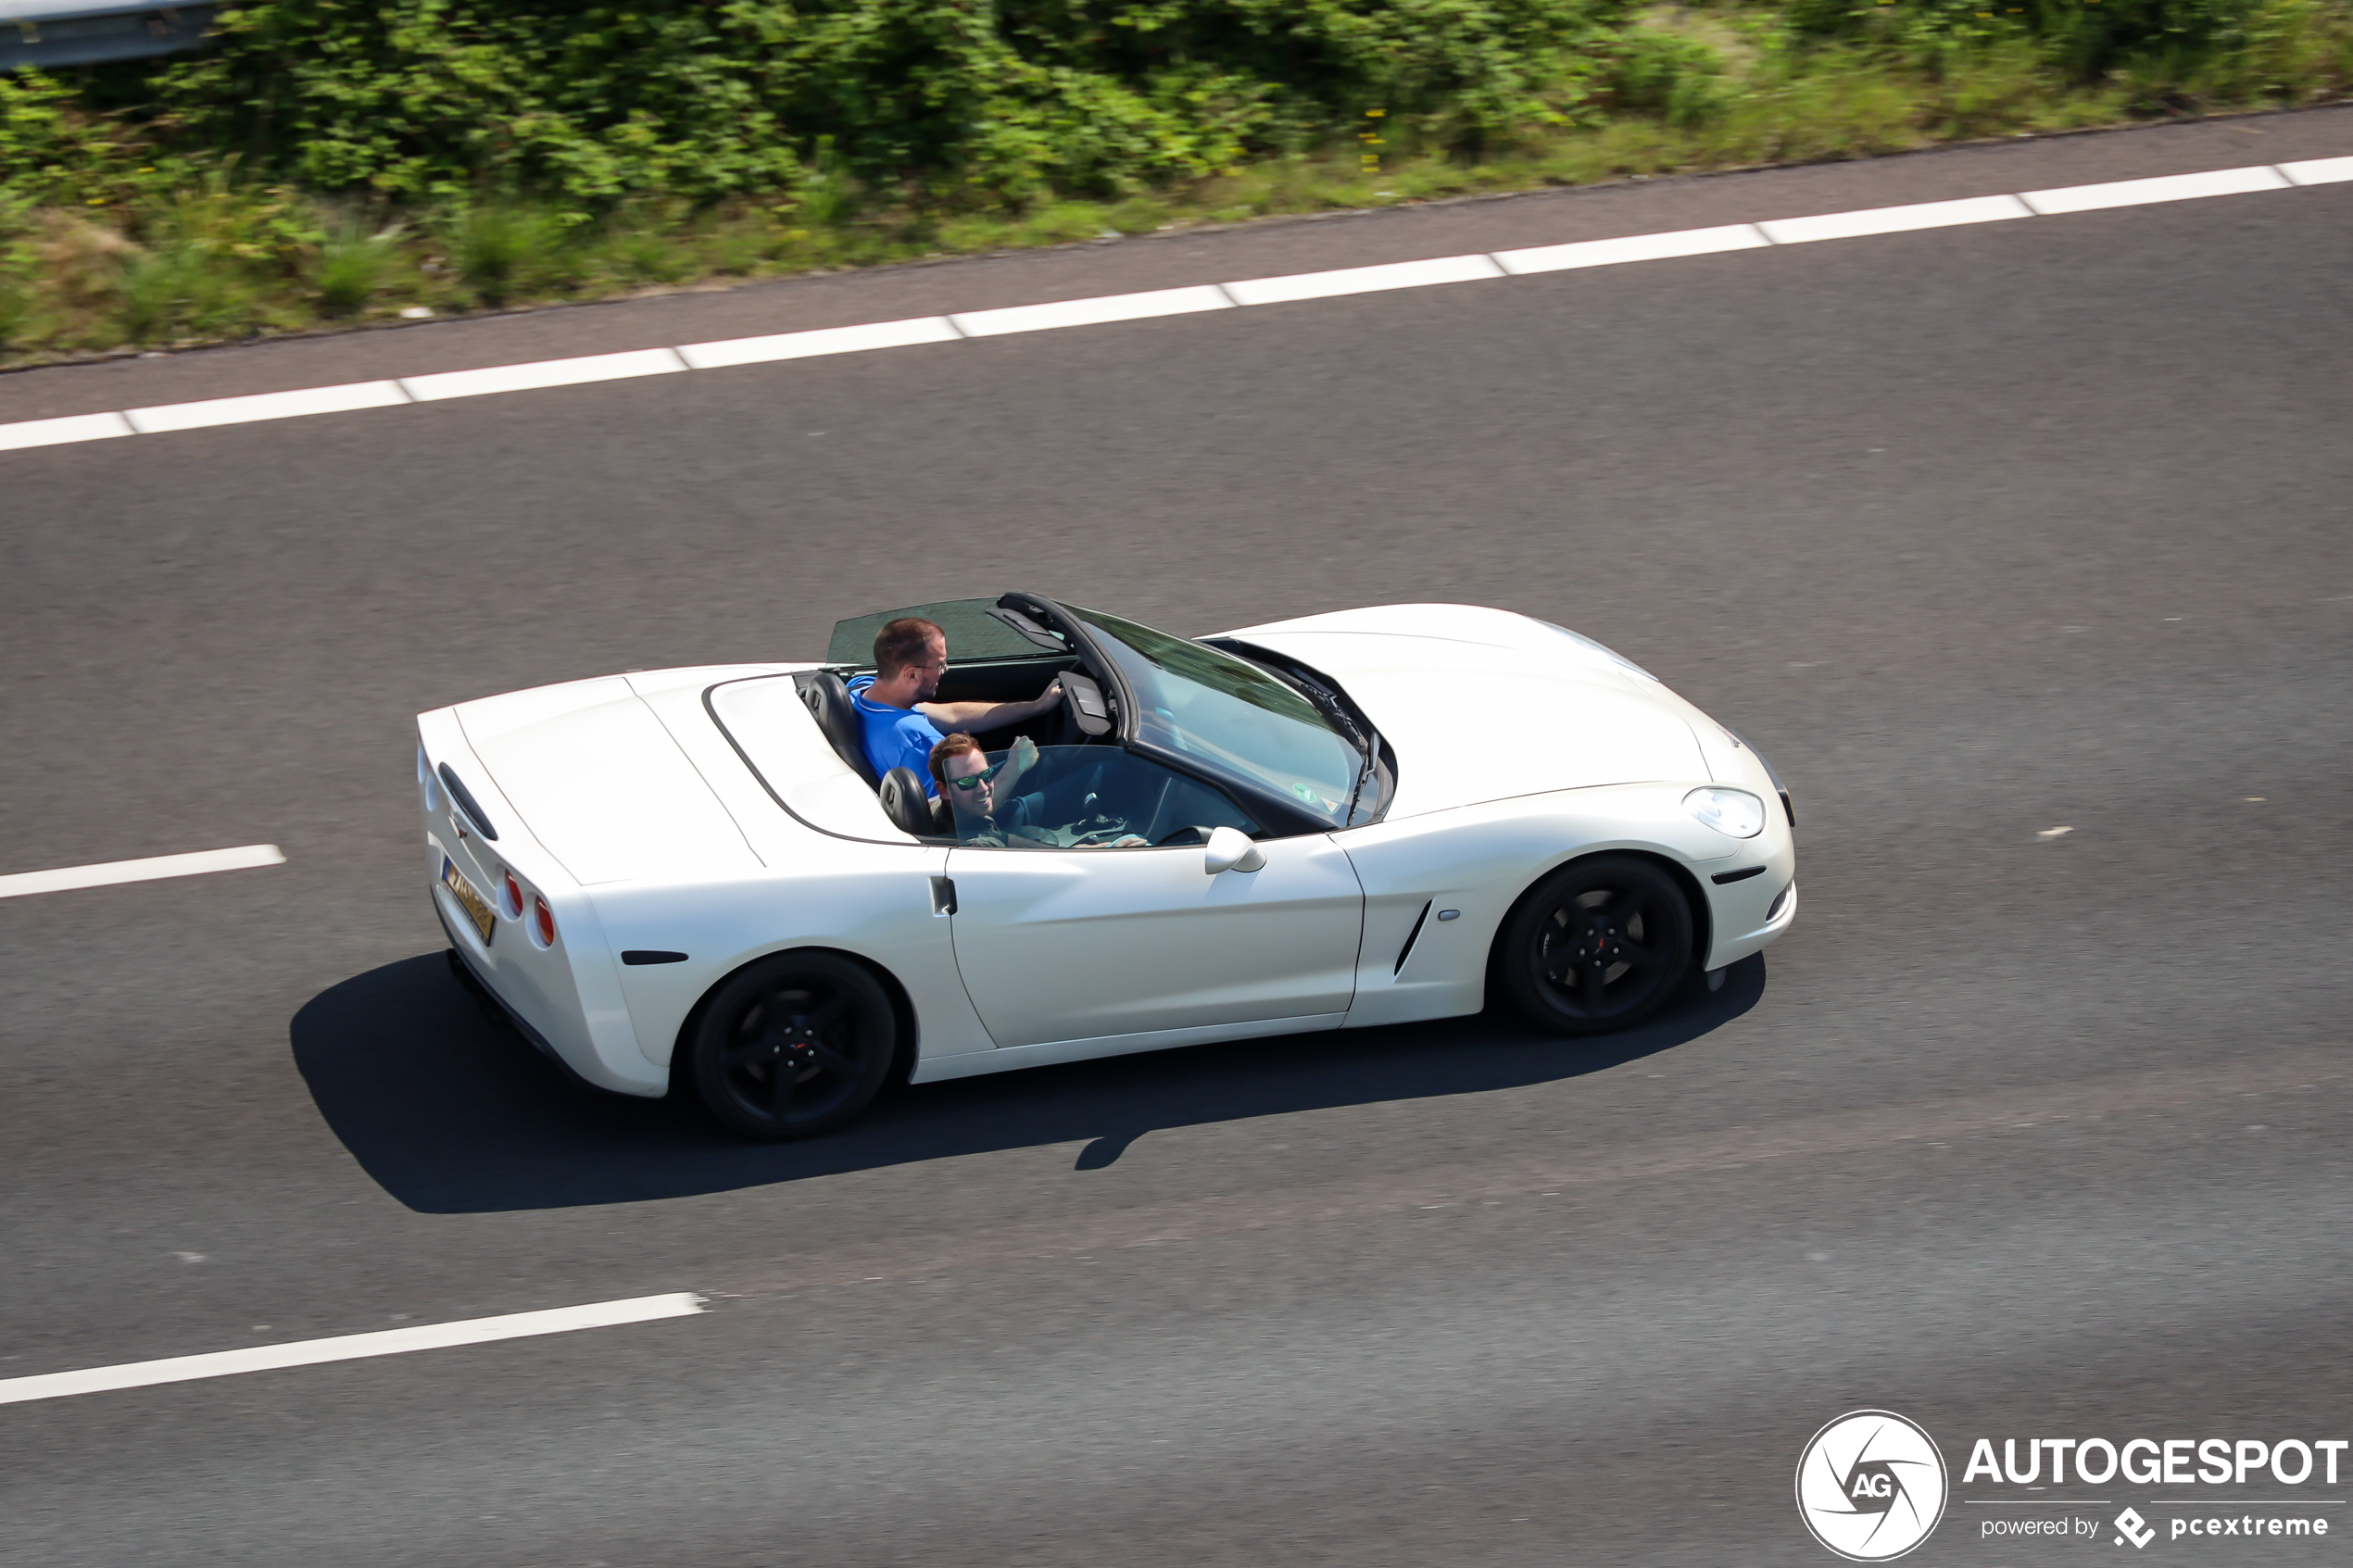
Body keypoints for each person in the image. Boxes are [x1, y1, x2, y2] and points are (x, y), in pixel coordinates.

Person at [847, 617, 1063, 796]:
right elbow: (962, 815)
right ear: (911, 674)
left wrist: (1038, 706)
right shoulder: (920, 744)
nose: (945, 670)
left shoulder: (859, 691)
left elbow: (953, 714)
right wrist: (1016, 765)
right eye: (939, 665)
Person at [931, 733, 1145, 848]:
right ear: (944, 790)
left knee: (1107, 771)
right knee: (1112, 773)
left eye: (987, 775)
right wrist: (1104, 852)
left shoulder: (952, 811)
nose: (984, 788)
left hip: (1001, 820)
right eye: (968, 782)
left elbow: (1005, 838)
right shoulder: (980, 847)